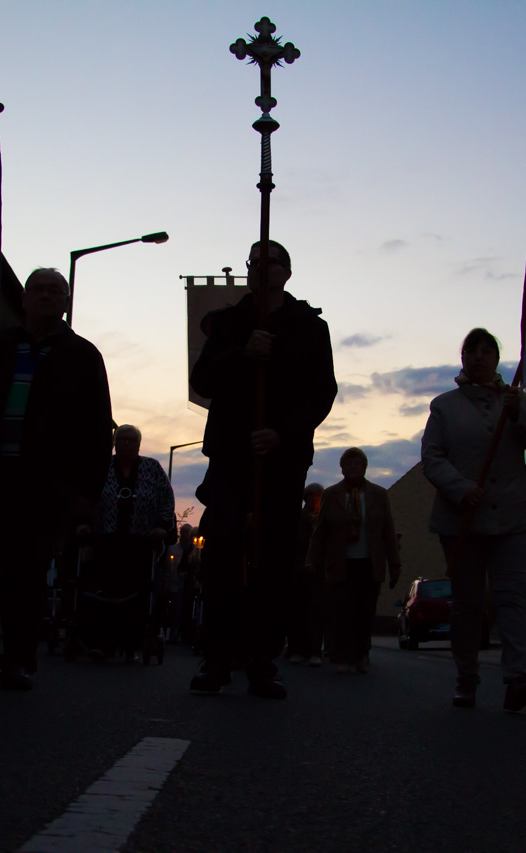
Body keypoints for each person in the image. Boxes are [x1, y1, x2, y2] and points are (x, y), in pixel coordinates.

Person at [0, 267, 113, 690]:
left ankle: (18, 658)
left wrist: (87, 492)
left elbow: (97, 427)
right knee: (9, 563)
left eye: (55, 291)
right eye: (37, 290)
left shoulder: (83, 356)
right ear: (23, 298)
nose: (45, 297)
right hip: (0, 473)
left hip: (49, 481)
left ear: (67, 301)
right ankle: (16, 652)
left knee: (31, 565)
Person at [188, 239, 337, 699]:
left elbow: (321, 392)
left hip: (282, 458)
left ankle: (263, 661)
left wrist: (284, 434)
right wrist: (242, 354)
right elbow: (203, 379)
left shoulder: (309, 327)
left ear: (287, 271)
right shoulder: (230, 322)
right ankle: (216, 658)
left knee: (273, 559)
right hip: (232, 455)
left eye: (268, 261)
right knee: (223, 553)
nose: (257, 268)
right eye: (252, 262)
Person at [421, 328, 526, 710]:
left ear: (496, 358)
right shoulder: (444, 406)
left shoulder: (516, 401)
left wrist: (521, 414)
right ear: (462, 359)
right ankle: (466, 677)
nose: (478, 356)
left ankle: (516, 679)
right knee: (467, 602)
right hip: (462, 519)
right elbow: (432, 458)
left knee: (511, 598)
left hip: (512, 516)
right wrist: (460, 488)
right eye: (471, 351)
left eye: (486, 350)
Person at [76, 424, 175, 661]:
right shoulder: (102, 467)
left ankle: (132, 641)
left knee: (136, 590)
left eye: (132, 440)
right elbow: (87, 496)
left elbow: (165, 498)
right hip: (105, 539)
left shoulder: (152, 468)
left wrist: (161, 525)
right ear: (114, 443)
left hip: (139, 542)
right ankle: (98, 642)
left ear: (139, 444)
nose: (127, 444)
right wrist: (84, 521)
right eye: (122, 439)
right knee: (101, 588)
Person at [307, 448, 401, 674]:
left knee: (365, 610)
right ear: (342, 468)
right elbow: (320, 531)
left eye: (358, 464)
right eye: (349, 464)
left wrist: (395, 563)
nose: (354, 468)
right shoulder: (331, 494)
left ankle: (361, 654)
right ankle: (342, 655)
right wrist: (312, 561)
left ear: (365, 467)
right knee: (341, 611)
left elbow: (388, 530)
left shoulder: (378, 495)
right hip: (341, 562)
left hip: (369, 562)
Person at [285, 482, 325, 666]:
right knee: (297, 611)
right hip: (298, 571)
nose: (315, 499)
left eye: (318, 496)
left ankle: (315, 650)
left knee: (316, 611)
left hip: (318, 572)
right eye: (312, 496)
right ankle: (296, 649)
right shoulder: (298, 518)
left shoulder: (324, 520)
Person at [164, 524, 198, 643]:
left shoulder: (195, 550)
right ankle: (174, 632)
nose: (185, 534)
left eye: (187, 532)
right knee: (175, 609)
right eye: (183, 532)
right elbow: (170, 568)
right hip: (175, 583)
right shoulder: (173, 549)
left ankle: (186, 633)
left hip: (189, 585)